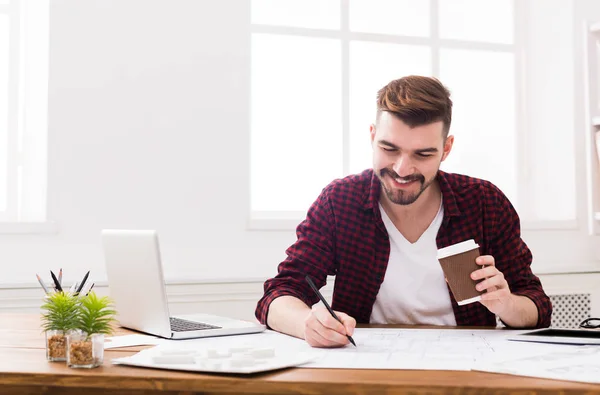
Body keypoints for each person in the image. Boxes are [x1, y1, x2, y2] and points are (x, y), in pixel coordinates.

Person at [255, 75, 552, 348]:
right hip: (367, 364)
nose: (402, 169)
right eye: (389, 149)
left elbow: (537, 309)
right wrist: (307, 324)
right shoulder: (340, 200)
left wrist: (507, 305)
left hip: (467, 366)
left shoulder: (485, 202)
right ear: (372, 136)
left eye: (423, 154)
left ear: (446, 149)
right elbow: (279, 294)